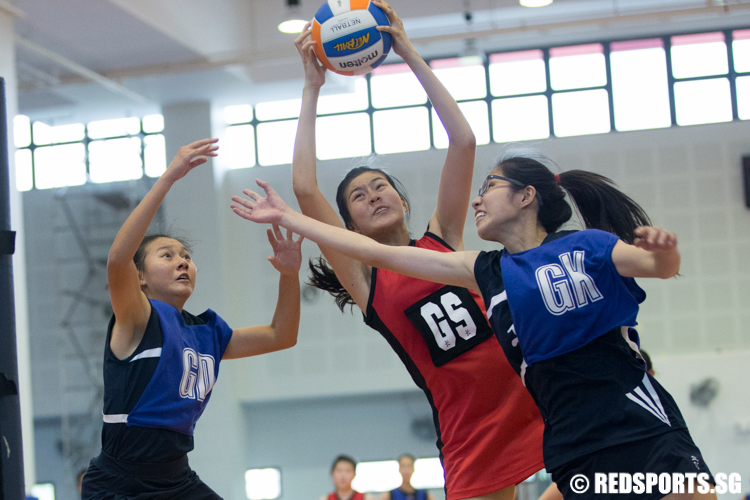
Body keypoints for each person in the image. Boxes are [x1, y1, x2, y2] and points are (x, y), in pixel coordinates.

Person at [230, 153, 716, 500]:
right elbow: (367, 246)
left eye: (489, 187)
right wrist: (290, 216)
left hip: (593, 412)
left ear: (526, 197)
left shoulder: (567, 246)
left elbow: (658, 265)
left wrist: (663, 252)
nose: (479, 199)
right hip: (515, 431)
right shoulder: (481, 269)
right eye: (359, 194)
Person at [290, 2, 543, 500]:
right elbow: (303, 188)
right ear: (348, 227)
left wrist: (406, 50)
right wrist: (311, 87)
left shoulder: (441, 238)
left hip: (532, 390)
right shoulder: (366, 279)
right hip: (470, 429)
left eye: (380, 186)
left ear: (403, 200)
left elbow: (464, 140)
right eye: (358, 197)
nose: (373, 196)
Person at [82, 138, 303, 499]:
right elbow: (118, 259)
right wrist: (169, 177)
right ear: (140, 276)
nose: (182, 261)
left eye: (185, 255)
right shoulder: (138, 318)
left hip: (177, 479)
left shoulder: (207, 333)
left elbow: (282, 335)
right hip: (122, 483)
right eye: (166, 256)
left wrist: (289, 275)